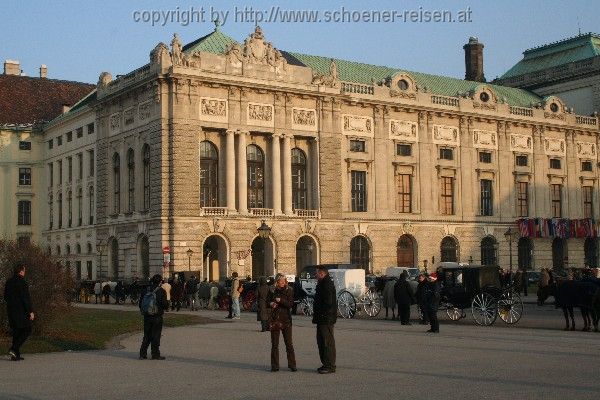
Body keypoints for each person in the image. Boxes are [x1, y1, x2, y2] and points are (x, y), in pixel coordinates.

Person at [4, 264, 34, 361]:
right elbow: (25, 299)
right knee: (27, 329)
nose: (25, 272)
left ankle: (15, 355)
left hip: (11, 310)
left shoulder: (8, 282)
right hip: (21, 311)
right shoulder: (22, 282)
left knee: (17, 331)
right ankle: (13, 348)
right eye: (24, 270)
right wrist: (30, 311)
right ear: (21, 271)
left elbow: (5, 297)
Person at [267, 274, 296, 372]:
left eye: (284, 280)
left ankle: (292, 365)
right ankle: (275, 365)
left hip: (286, 319)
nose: (283, 282)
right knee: (274, 344)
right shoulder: (272, 290)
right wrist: (271, 303)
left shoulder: (289, 290)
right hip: (275, 319)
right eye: (281, 281)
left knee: (289, 343)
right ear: (277, 282)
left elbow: (290, 304)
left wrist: (281, 301)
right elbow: (267, 301)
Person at [312, 266, 337, 374]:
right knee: (321, 341)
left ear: (322, 274)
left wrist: (322, 313)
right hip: (322, 318)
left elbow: (328, 302)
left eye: (316, 273)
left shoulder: (326, 284)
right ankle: (326, 363)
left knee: (327, 342)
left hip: (326, 318)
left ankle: (329, 365)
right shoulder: (322, 283)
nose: (315, 275)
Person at [139, 274, 169, 360]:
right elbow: (164, 304)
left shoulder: (145, 290)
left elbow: (141, 303)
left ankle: (142, 353)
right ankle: (155, 354)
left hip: (147, 316)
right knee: (156, 335)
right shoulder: (161, 291)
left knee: (146, 335)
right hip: (157, 316)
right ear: (160, 282)